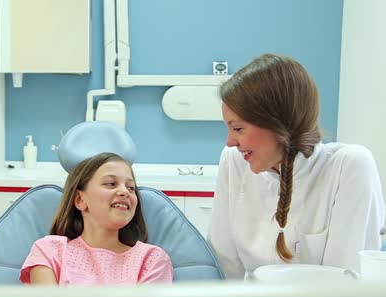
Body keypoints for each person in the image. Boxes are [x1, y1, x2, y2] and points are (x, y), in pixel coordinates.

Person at [209, 53, 385, 279]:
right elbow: (225, 265)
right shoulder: (233, 160)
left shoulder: (349, 167)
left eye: (238, 129)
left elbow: (345, 284)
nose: (230, 142)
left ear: (278, 123)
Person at [20, 152, 173, 285]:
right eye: (111, 184)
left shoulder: (151, 259)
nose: (124, 192)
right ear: (80, 200)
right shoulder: (50, 251)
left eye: (131, 187)